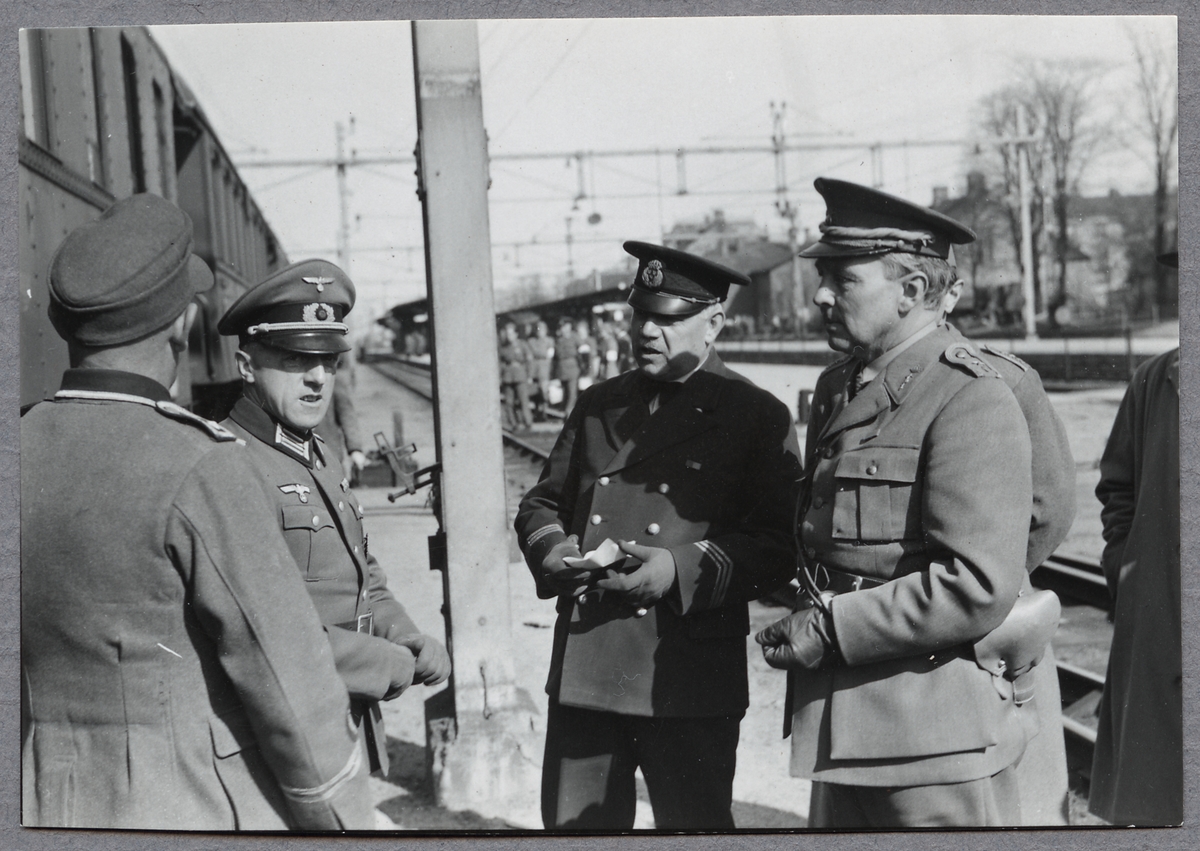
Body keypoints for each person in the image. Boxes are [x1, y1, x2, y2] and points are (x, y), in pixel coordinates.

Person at [21, 195, 372, 830]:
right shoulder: (200, 465)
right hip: (180, 807)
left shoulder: (20, 444)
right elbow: (288, 686)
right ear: (183, 325)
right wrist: (346, 820)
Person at [756, 178, 1048, 828]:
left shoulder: (968, 394)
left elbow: (979, 580)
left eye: (843, 278)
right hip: (843, 721)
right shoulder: (840, 385)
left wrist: (831, 626)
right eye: (823, 276)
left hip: (933, 731)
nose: (821, 295)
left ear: (912, 290)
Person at [515, 242, 802, 830]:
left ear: (713, 323)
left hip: (686, 675)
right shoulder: (599, 404)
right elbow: (542, 504)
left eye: (668, 319)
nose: (646, 331)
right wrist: (554, 552)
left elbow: (780, 546)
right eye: (640, 314)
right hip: (590, 664)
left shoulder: (755, 415)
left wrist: (677, 570)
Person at [217, 258, 451, 780]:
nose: (318, 378)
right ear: (247, 366)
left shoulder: (317, 451)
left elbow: (362, 574)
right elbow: (258, 631)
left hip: (343, 717)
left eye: (329, 361)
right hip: (281, 740)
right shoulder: (228, 465)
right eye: (295, 359)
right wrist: (385, 664)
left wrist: (405, 634)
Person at [940, 283, 1077, 825]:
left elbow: (1050, 508)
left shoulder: (1005, 378)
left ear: (945, 294)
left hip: (991, 639)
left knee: (1016, 807)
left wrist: (990, 579)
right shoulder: (842, 381)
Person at [1088, 252, 1181, 826]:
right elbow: (1117, 487)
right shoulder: (1156, 379)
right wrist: (1128, 570)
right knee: (1161, 798)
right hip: (1162, 622)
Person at [498, 321, 534, 430]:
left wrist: (530, 375)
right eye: (507, 334)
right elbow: (501, 362)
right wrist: (500, 376)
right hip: (508, 377)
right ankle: (513, 423)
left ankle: (528, 422)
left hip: (520, 375)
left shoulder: (522, 345)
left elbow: (529, 360)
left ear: (516, 334)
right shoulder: (503, 347)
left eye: (511, 334)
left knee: (523, 400)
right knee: (509, 402)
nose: (509, 336)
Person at [527, 320, 556, 419]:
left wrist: (538, 354)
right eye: (538, 329)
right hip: (534, 369)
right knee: (535, 392)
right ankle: (537, 411)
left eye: (542, 329)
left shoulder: (549, 341)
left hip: (544, 369)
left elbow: (549, 355)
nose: (540, 332)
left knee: (544, 391)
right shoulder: (531, 341)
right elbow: (530, 356)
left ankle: (544, 411)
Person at [553, 318, 581, 415]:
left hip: (572, 366)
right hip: (563, 367)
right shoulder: (559, 339)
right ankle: (567, 411)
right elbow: (557, 354)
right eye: (562, 327)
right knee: (566, 391)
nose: (564, 329)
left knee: (572, 391)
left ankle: (568, 412)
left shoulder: (575, 337)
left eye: (566, 326)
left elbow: (582, 350)